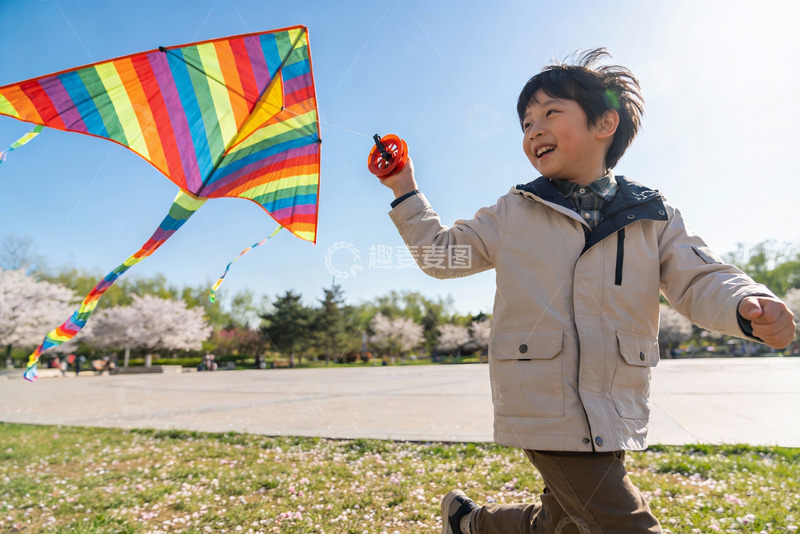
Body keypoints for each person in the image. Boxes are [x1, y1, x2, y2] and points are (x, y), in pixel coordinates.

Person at [377, 49, 796, 534]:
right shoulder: (514, 211)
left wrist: (745, 303)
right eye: (527, 122)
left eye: (550, 112)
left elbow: (700, 276)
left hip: (615, 399)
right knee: (622, 523)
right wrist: (404, 188)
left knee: (566, 521)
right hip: (544, 399)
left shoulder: (653, 214)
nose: (534, 129)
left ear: (605, 124)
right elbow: (440, 254)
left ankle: (472, 525)